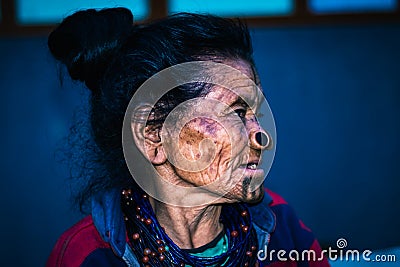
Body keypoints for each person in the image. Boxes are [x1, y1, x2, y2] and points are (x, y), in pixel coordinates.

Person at [46, 7, 330, 267]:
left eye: (257, 112)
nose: (261, 135)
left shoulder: (282, 226)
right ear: (153, 137)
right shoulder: (87, 255)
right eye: (234, 112)